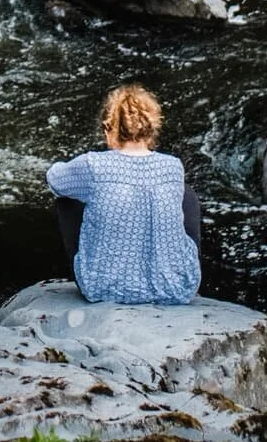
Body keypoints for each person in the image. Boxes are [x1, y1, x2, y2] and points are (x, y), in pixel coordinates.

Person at [45, 84, 201, 306]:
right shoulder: (173, 166)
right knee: (186, 195)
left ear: (109, 127)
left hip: (104, 288)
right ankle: (181, 271)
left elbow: (54, 179)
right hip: (175, 289)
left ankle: (98, 269)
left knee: (66, 198)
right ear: (152, 127)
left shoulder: (93, 164)